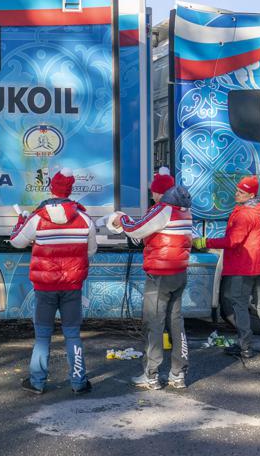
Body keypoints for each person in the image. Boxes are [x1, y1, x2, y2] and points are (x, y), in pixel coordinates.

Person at [10, 168, 97, 394]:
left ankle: (37, 382)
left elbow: (17, 242)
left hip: (45, 288)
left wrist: (21, 221)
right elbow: (91, 251)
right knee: (72, 334)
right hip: (72, 286)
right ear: (70, 190)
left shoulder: (38, 218)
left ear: (52, 188)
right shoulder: (85, 219)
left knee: (42, 335)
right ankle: (79, 382)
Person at [108, 167, 193, 389]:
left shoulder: (162, 209)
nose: (152, 196)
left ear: (161, 192)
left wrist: (121, 218)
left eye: (154, 192)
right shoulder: (184, 210)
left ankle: (152, 375)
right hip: (179, 272)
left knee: (154, 324)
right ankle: (179, 374)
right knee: (176, 322)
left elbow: (136, 229)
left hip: (160, 274)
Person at [193, 175, 260, 359]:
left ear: (251, 194)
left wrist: (204, 241)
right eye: (237, 190)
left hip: (245, 266)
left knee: (239, 305)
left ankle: (245, 347)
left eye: (241, 192)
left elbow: (233, 241)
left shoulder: (244, 214)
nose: (236, 194)